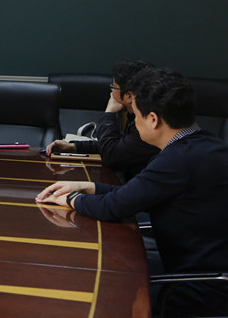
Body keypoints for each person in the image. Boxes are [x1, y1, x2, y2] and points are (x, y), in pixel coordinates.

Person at [36, 67, 228, 317]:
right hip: (207, 271)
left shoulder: (176, 160)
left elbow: (113, 207)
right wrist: (88, 187)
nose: (134, 123)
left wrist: (71, 199)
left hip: (198, 288)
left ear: (152, 119)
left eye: (135, 115)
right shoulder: (207, 144)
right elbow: (138, 194)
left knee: (105, 297)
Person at [45, 60, 160, 181]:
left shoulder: (148, 126)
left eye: (113, 87)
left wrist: (109, 112)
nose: (111, 92)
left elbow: (111, 155)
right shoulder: (139, 117)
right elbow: (119, 145)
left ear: (128, 96)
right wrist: (74, 146)